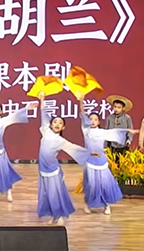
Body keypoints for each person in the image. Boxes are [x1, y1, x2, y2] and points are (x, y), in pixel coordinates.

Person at [37, 92, 95, 226]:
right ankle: (53, 215)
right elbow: (43, 114)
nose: (57, 124)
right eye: (55, 122)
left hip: (53, 171)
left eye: (60, 123)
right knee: (47, 194)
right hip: (42, 170)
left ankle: (61, 215)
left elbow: (75, 149)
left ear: (63, 127)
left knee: (56, 193)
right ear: (50, 124)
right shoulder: (45, 131)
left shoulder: (61, 141)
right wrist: (42, 100)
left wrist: (90, 153)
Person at [77, 94, 138, 215]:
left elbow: (116, 132)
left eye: (95, 119)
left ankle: (106, 205)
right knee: (92, 185)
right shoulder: (86, 130)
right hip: (90, 162)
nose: (92, 121)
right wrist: (81, 102)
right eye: (90, 119)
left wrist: (128, 131)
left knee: (104, 184)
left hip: (101, 162)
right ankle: (89, 204)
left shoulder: (102, 132)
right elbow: (82, 114)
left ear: (99, 121)